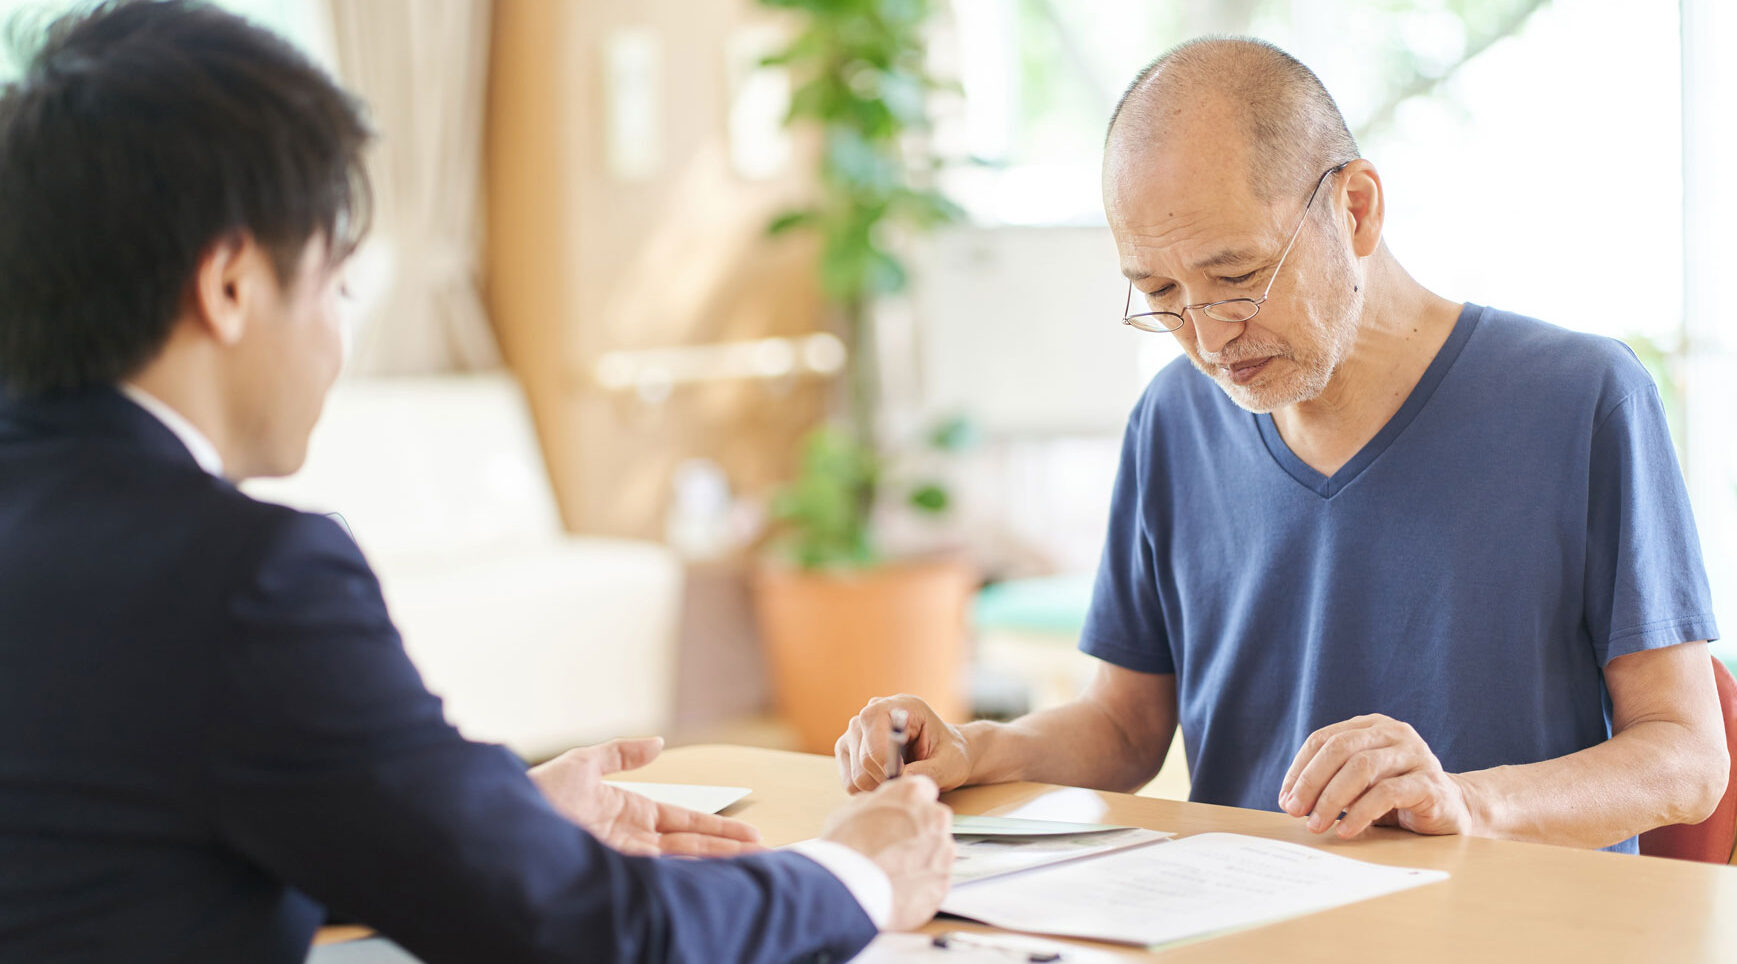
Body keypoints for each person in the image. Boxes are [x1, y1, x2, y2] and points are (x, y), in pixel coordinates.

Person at [0, 2, 952, 961]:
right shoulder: (243, 580)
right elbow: (596, 933)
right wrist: (858, 872)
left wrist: (483, 826)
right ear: (232, 285)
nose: (338, 334)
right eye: (336, 282)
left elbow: (119, 855)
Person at [837, 37, 1726, 854]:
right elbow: (1123, 727)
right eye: (1158, 291)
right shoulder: (1174, 420)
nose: (1209, 335)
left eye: (1237, 277)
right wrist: (974, 747)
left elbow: (1687, 759)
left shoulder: (1578, 398)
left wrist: (1468, 804)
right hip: (1243, 919)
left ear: (1357, 209)